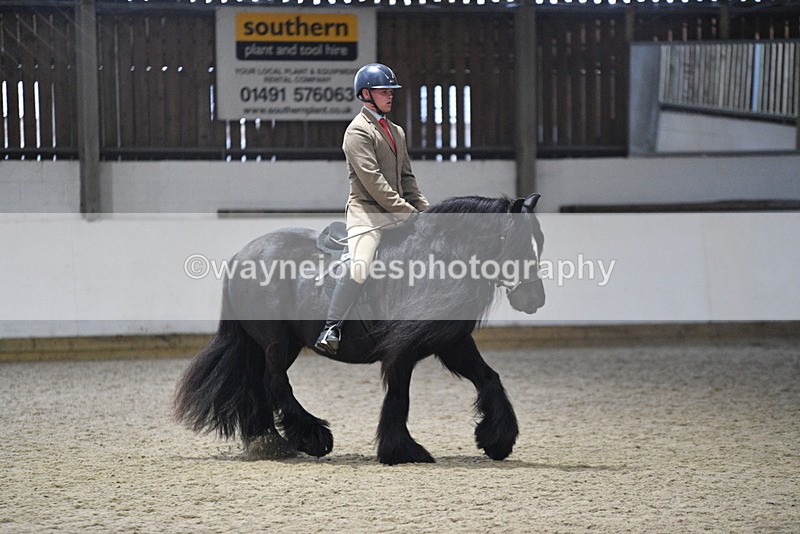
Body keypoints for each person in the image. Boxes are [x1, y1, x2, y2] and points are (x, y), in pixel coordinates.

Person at [314, 63, 429, 356]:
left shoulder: (397, 132)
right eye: (383, 91)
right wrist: (408, 214)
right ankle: (331, 328)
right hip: (367, 212)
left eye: (391, 91)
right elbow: (374, 183)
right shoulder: (357, 132)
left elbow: (406, 179)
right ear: (366, 94)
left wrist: (428, 213)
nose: (390, 95)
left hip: (397, 209)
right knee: (361, 263)